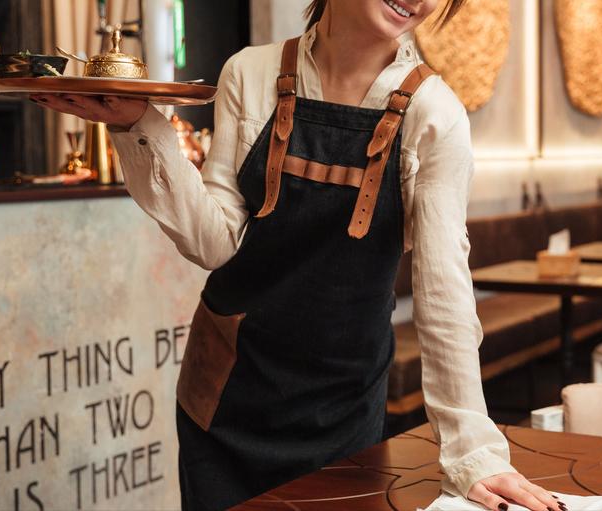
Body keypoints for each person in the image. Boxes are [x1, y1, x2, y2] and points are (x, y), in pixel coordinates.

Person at [32, 1, 566, 510]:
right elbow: (214, 243)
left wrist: (474, 452)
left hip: (342, 407)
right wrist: (138, 125)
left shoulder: (435, 114)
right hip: (223, 401)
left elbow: (444, 290)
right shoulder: (250, 72)